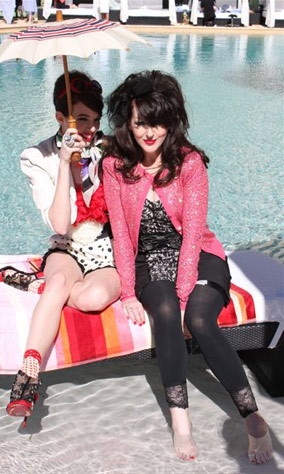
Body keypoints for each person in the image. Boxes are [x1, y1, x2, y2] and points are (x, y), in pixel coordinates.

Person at [101, 70, 273, 464]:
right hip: (148, 258)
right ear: (128, 120)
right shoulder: (114, 166)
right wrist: (128, 290)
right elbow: (122, 237)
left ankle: (252, 417)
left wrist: (185, 288)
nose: (150, 132)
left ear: (172, 120)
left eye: (158, 122)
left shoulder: (189, 163)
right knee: (162, 312)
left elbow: (194, 231)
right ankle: (181, 421)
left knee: (198, 319)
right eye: (141, 121)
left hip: (196, 253)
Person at [6, 70, 121, 426]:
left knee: (92, 298)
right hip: (67, 245)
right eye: (82, 119)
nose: (90, 129)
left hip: (106, 244)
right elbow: (60, 224)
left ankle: (39, 286)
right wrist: (62, 164)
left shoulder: (112, 148)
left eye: (95, 120)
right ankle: (28, 375)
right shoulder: (36, 156)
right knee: (59, 285)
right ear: (61, 117)